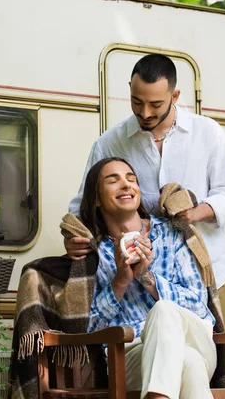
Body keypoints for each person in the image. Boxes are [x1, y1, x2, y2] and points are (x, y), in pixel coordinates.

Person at [67, 53, 225, 331]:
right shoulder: (110, 142)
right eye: (137, 102)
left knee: (217, 362)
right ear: (130, 89)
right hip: (136, 284)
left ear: (175, 95)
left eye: (155, 104)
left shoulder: (207, 132)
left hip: (209, 273)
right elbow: (82, 206)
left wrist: (192, 213)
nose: (145, 112)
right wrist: (75, 237)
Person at [81, 157, 216, 399]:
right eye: (113, 181)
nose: (125, 184)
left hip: (194, 338)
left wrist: (147, 277)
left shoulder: (172, 233)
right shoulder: (95, 253)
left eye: (131, 179)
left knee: (164, 310)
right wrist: (120, 281)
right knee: (190, 364)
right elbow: (89, 328)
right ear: (97, 199)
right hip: (131, 354)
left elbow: (198, 302)